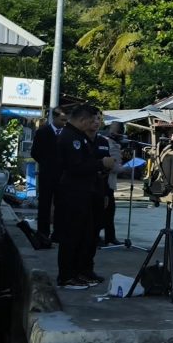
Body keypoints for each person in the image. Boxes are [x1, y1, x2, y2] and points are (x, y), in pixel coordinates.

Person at [54, 104, 110, 289]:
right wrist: (100, 163)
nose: (93, 123)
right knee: (70, 236)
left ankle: (78, 272)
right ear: (82, 120)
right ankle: (66, 276)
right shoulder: (70, 137)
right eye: (91, 120)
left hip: (85, 192)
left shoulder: (79, 137)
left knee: (83, 235)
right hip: (72, 193)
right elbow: (75, 167)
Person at [31, 105, 67, 242]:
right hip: (47, 174)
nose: (64, 122)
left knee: (61, 204)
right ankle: (43, 233)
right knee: (44, 204)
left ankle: (58, 233)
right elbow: (35, 152)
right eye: (62, 119)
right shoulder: (43, 132)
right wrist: (46, 163)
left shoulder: (66, 133)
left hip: (63, 175)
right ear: (55, 117)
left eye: (66, 120)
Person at [93, 116, 121, 248]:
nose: (116, 133)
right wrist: (125, 168)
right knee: (103, 210)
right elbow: (112, 166)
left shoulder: (110, 142)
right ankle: (97, 236)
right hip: (104, 181)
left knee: (110, 211)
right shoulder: (106, 142)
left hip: (109, 182)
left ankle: (110, 236)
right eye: (114, 130)